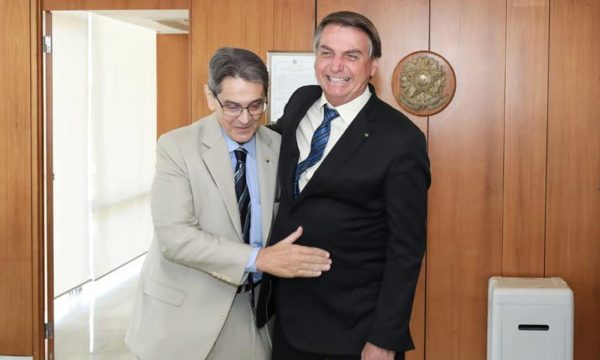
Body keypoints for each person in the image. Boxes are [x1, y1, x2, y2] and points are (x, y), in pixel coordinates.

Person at [125, 47, 331, 360]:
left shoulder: (278, 147)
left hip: (252, 317)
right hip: (181, 320)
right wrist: (257, 259)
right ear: (210, 97)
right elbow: (175, 238)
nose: (245, 119)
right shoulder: (176, 147)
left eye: (255, 106)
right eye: (232, 107)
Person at [256, 11, 431, 360]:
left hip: (353, 331)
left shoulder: (401, 139)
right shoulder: (301, 102)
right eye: (326, 52)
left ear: (373, 66)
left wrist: (384, 339)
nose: (336, 66)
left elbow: (406, 248)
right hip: (285, 319)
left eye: (351, 56)